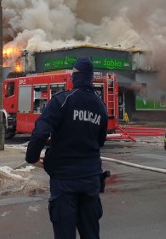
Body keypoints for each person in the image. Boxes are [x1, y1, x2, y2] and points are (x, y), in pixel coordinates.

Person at [25, 57, 109, 239]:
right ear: (91, 78)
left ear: (75, 76)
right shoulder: (100, 107)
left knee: (64, 232)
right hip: (91, 179)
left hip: (65, 180)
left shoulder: (62, 101)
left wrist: (31, 157)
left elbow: (41, 132)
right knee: (91, 233)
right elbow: (100, 141)